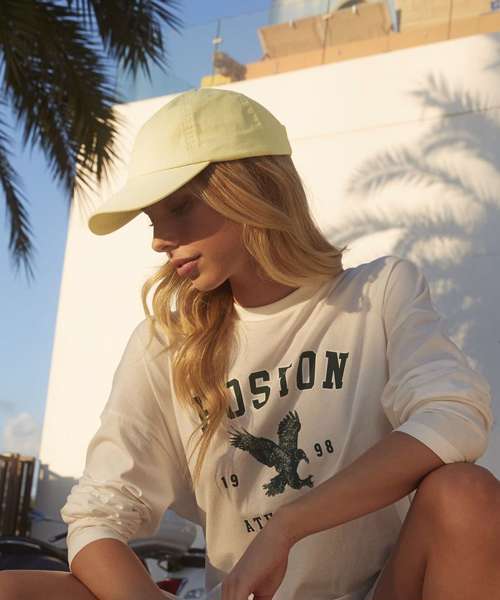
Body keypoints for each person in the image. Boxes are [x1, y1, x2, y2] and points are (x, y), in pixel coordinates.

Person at [1, 88, 499, 600]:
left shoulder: (379, 293)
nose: (158, 239)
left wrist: (287, 526)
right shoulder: (165, 344)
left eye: (180, 207)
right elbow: (96, 515)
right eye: (153, 219)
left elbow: (453, 417)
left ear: (252, 191)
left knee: (466, 492)